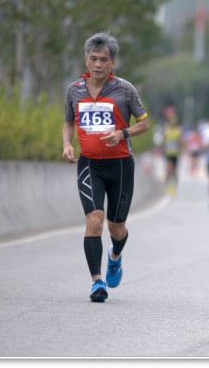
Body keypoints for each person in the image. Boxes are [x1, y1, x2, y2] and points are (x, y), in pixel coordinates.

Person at [62, 31, 150, 302]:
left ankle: (115, 256)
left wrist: (122, 134)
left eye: (103, 59)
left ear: (112, 62)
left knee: (116, 227)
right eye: (93, 59)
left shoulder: (125, 89)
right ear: (86, 61)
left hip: (121, 166)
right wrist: (67, 144)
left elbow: (144, 123)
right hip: (89, 165)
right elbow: (68, 121)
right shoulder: (74, 90)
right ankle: (96, 282)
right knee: (94, 221)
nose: (98, 64)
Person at [161, 114, 183, 195]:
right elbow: (163, 141)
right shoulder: (166, 130)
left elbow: (180, 142)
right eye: (172, 123)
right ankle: (168, 186)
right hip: (168, 153)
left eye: (174, 123)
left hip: (175, 153)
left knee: (174, 171)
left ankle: (174, 186)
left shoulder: (178, 131)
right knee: (168, 169)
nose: (173, 124)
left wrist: (180, 146)